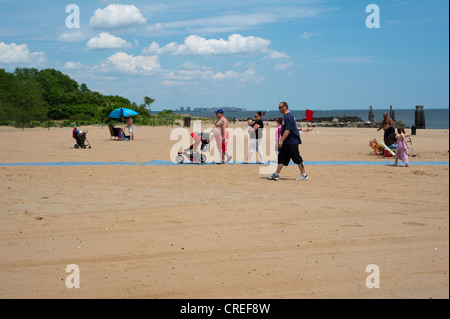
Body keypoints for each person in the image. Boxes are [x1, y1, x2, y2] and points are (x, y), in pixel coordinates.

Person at [267, 102, 308, 181]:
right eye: (278, 107)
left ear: (285, 107)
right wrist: (281, 139)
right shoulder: (285, 116)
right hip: (287, 142)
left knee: (297, 158)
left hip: (292, 141)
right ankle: (276, 174)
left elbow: (288, 130)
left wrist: (281, 140)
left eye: (280, 107)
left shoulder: (288, 116)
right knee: (281, 158)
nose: (279, 109)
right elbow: (283, 129)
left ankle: (304, 174)